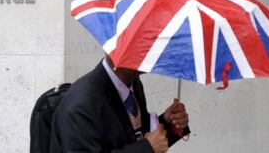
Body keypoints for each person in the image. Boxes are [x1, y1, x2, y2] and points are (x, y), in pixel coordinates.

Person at [49, 55, 190, 153]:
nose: (153, 53)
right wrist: (147, 149)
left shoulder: (133, 83)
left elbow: (135, 135)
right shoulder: (82, 106)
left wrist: (168, 123)